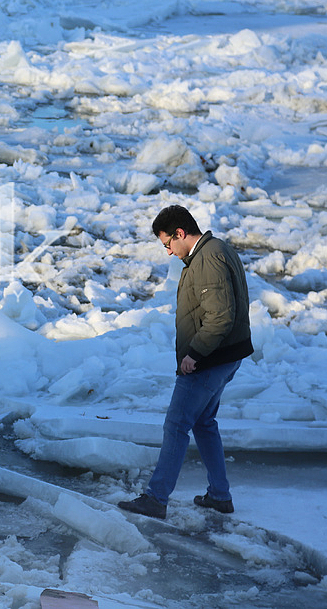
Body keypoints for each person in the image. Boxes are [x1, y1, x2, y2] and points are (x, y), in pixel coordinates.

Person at [118, 205, 253, 520]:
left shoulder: (207, 259)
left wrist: (195, 354)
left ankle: (156, 498)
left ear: (180, 233)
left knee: (177, 424)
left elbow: (220, 317)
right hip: (227, 356)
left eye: (167, 244)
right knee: (204, 423)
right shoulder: (216, 249)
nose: (167, 252)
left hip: (210, 359)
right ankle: (220, 495)